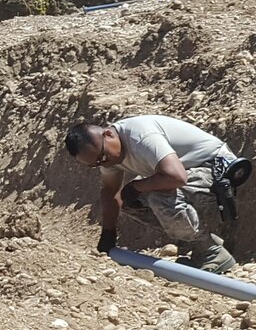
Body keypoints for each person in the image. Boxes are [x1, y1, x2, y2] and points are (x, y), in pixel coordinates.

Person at [66, 115, 244, 274]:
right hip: (190, 170)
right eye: (95, 164)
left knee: (159, 198)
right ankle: (200, 245)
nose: (103, 163)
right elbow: (110, 192)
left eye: (103, 157)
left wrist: (138, 186)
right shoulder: (107, 154)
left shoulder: (140, 136)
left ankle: (211, 253)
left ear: (108, 135)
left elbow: (177, 177)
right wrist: (108, 233)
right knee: (129, 201)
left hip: (217, 168)